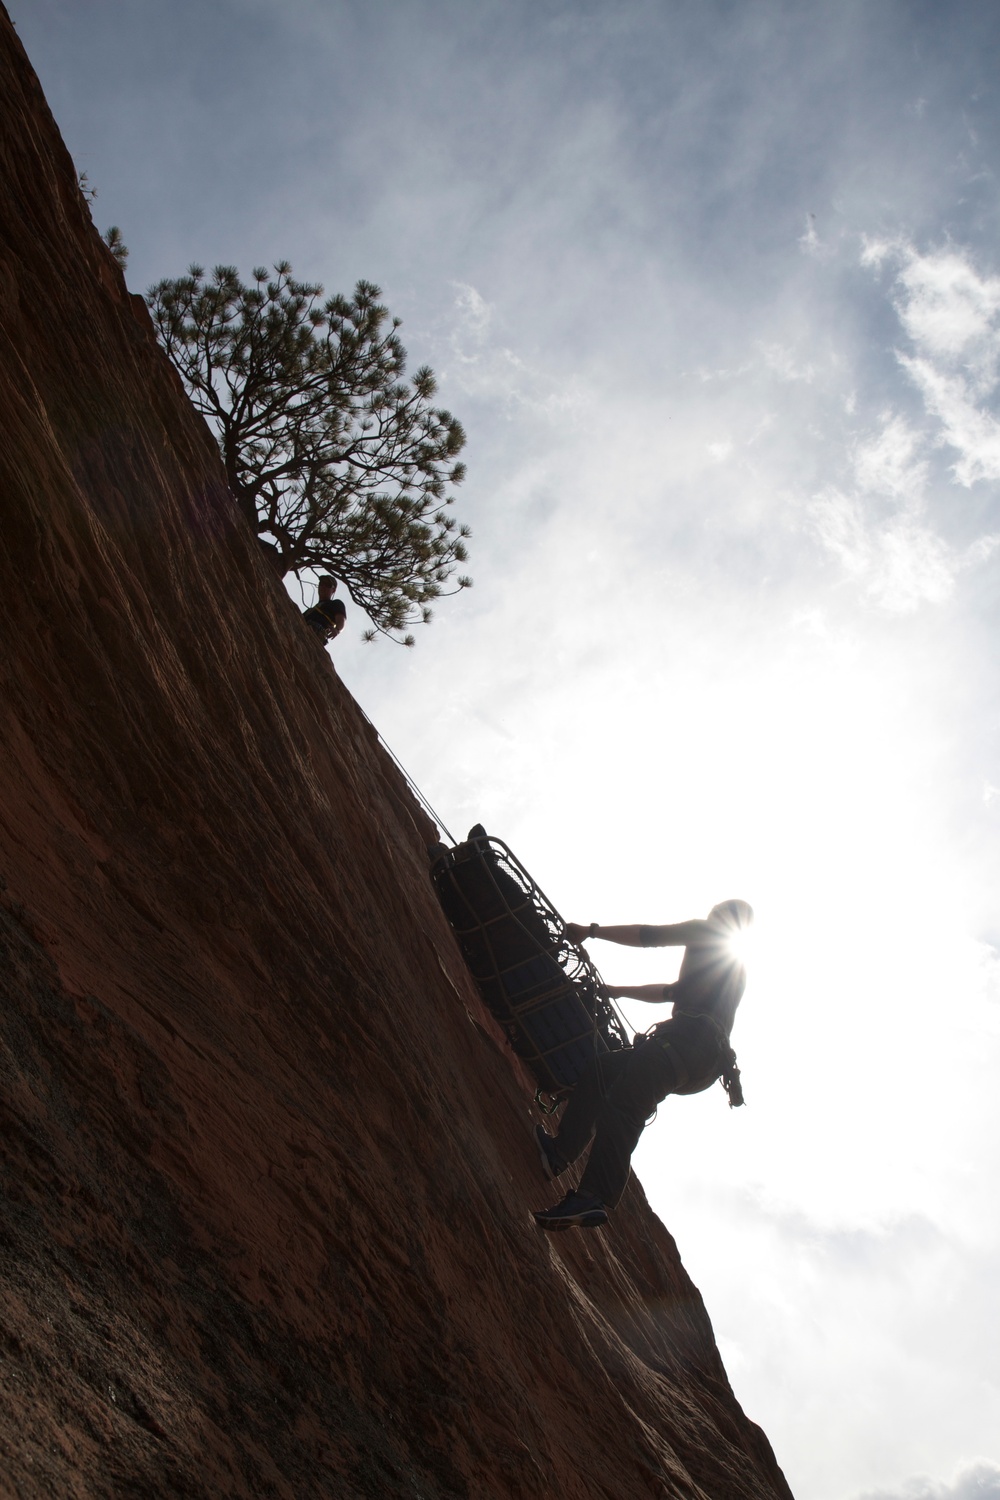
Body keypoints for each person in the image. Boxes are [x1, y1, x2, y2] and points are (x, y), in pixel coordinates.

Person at [532, 899, 753, 1231]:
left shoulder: (707, 931)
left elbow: (648, 935)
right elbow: (669, 992)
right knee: (603, 1070)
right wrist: (616, 991)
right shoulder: (734, 969)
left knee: (624, 1106)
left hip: (684, 1043)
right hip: (703, 1062)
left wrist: (590, 932)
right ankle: (559, 1154)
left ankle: (593, 1196)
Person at [302, 576, 346, 643]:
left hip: (316, 633)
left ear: (333, 590)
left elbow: (341, 620)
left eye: (328, 585)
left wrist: (337, 630)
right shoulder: (311, 610)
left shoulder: (336, 603)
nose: (323, 586)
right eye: (321, 583)